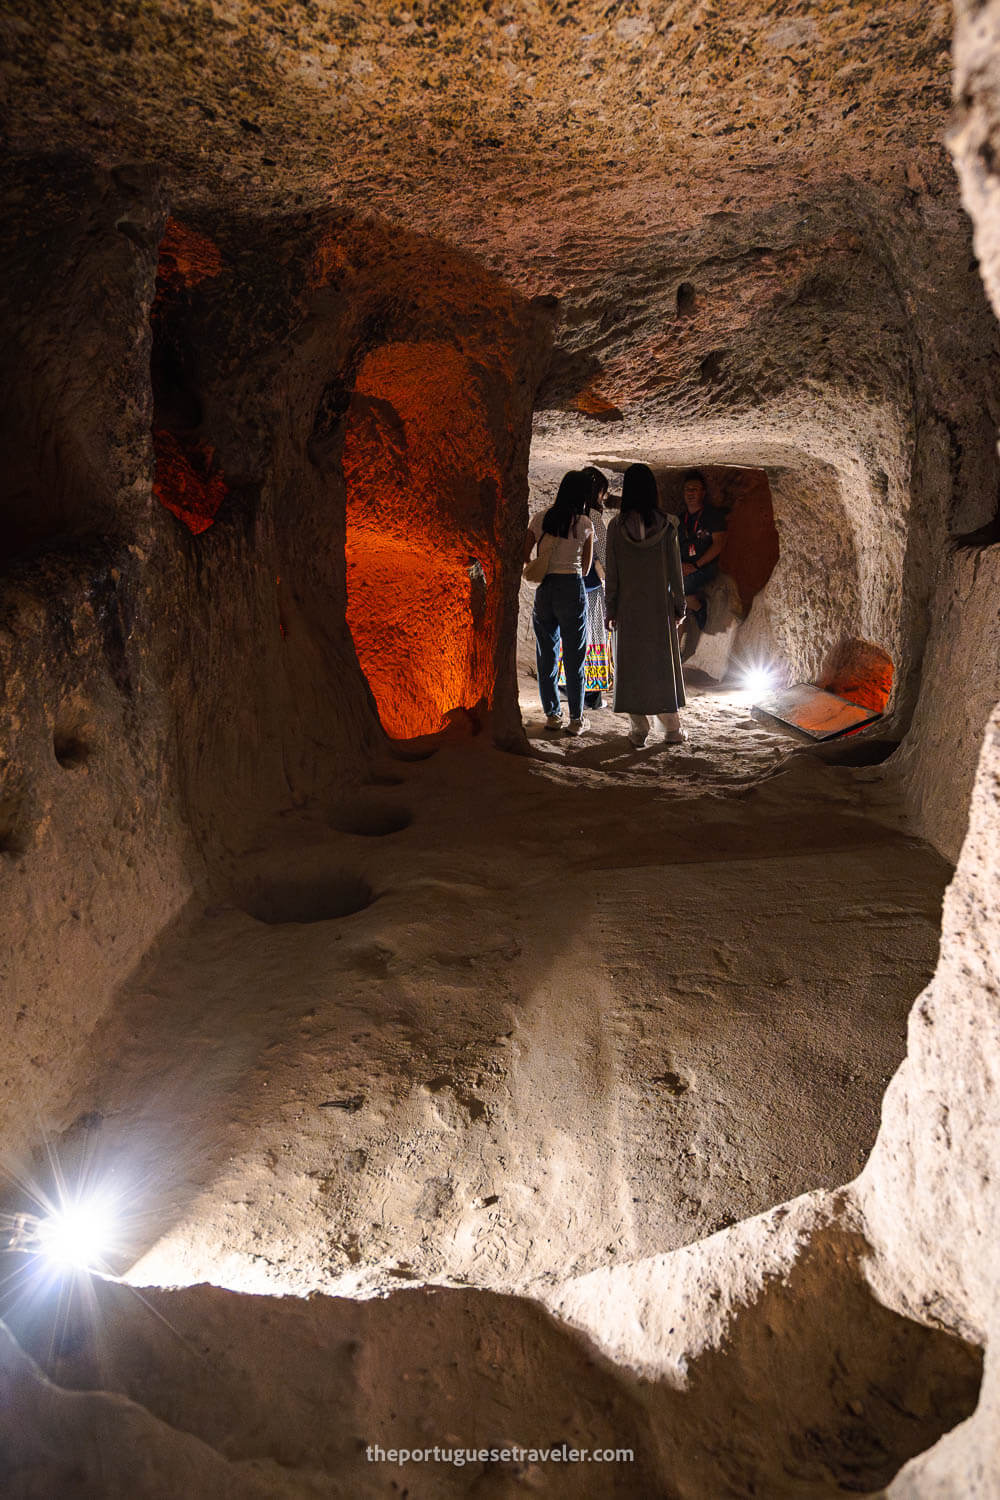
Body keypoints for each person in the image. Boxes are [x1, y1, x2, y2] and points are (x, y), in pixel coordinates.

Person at [605, 463, 687, 748]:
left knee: (632, 668)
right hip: (658, 607)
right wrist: (679, 605)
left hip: (629, 608)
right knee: (661, 667)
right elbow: (675, 571)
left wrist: (610, 609)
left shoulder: (615, 527)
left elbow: (612, 574)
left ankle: (638, 731)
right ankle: (672, 730)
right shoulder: (668, 526)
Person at [523, 470, 595, 735]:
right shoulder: (584, 523)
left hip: (546, 589)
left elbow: (524, 554)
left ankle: (553, 715)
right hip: (571, 588)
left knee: (546, 655)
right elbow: (585, 569)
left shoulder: (540, 518)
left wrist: (537, 569)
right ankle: (576, 719)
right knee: (575, 657)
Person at [678, 469, 728, 633]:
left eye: (695, 489)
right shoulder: (679, 519)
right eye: (687, 489)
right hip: (683, 567)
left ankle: (698, 607)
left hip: (705, 567)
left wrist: (696, 565)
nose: (690, 493)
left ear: (703, 493)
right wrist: (679, 565)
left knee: (677, 589)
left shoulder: (712, 516)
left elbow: (719, 543)